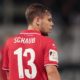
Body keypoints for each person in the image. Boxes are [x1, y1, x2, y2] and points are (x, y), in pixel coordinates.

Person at [2, 3, 61, 80]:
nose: (52, 24)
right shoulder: (47, 42)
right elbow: (51, 72)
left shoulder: (9, 42)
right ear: (37, 20)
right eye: (49, 20)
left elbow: (8, 74)